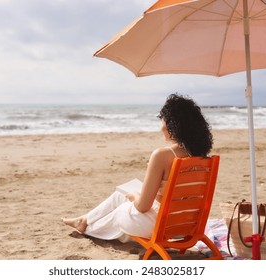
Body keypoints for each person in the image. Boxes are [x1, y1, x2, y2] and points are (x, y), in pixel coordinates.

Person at [62, 93, 213, 242]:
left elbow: (142, 207)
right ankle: (84, 220)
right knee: (120, 195)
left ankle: (87, 227)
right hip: (187, 223)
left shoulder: (162, 155)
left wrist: (134, 196)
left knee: (122, 208)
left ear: (174, 125)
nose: (161, 127)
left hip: (162, 226)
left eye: (164, 122)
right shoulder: (202, 157)